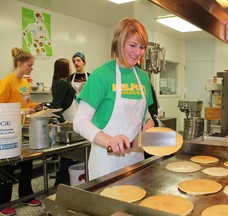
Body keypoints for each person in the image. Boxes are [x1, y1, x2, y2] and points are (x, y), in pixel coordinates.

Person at [73, 18, 154, 180]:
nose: (137, 52)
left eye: (142, 47)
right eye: (132, 45)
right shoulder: (101, 75)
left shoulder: (143, 77)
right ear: (118, 43)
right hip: (107, 161)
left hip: (136, 160)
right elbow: (80, 122)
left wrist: (149, 125)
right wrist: (110, 140)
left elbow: (145, 115)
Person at [0, 47, 41, 216]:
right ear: (20, 63)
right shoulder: (6, 82)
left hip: (22, 128)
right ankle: (3, 203)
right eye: (30, 65)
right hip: (7, 130)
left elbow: (26, 104)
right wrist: (22, 112)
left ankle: (26, 195)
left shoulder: (24, 83)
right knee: (7, 166)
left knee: (27, 162)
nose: (32, 68)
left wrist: (34, 107)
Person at [50, 58, 77, 185]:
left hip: (70, 118)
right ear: (64, 69)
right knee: (71, 153)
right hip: (68, 119)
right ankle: (62, 179)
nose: (71, 68)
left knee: (68, 153)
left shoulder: (59, 82)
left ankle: (63, 179)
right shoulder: (63, 83)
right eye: (69, 66)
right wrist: (63, 121)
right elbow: (55, 106)